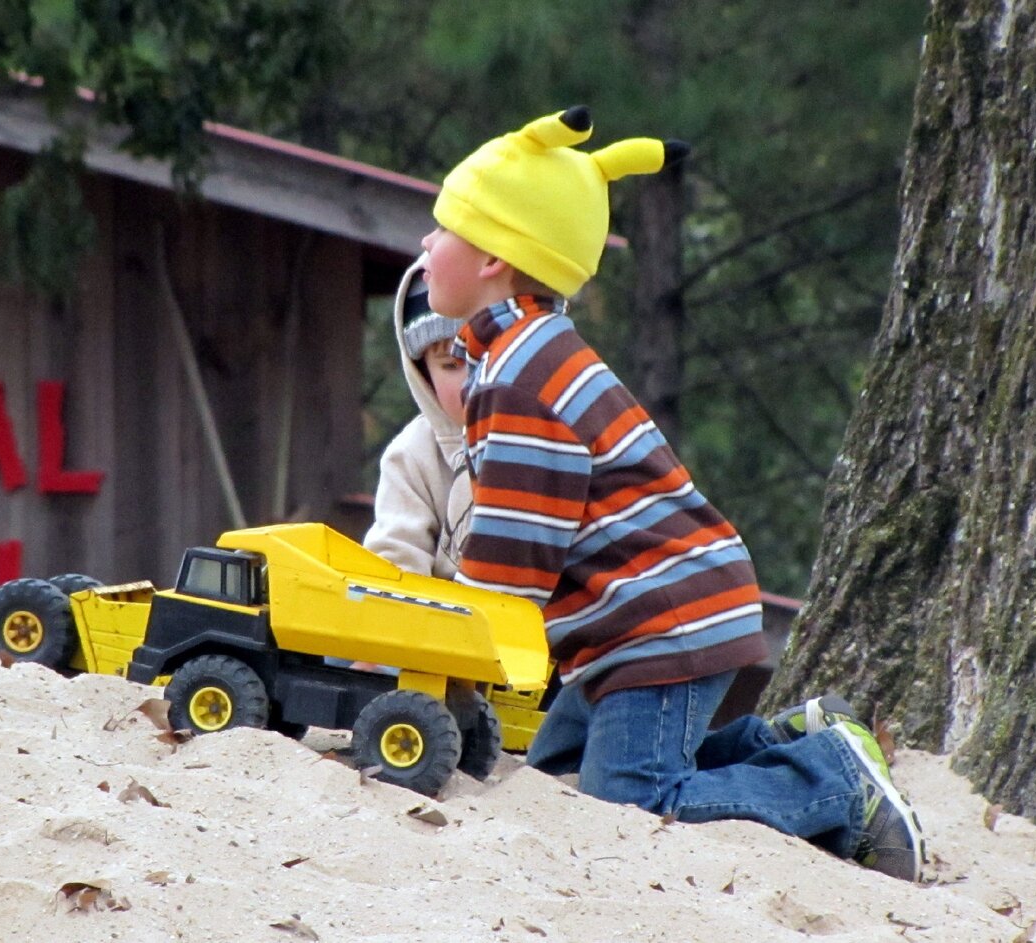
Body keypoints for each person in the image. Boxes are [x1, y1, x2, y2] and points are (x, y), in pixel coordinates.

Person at [418, 105, 926, 881]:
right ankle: (780, 744)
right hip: (640, 621)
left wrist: (449, 625)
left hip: (657, 625)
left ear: (494, 256)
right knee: (558, 766)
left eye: (442, 225)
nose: (426, 243)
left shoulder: (520, 375)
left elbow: (517, 554)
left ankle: (837, 780)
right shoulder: (525, 351)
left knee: (629, 800)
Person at [363, 258, 472, 579]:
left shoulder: (554, 434)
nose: (472, 380)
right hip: (446, 624)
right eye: (451, 365)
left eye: (485, 356)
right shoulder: (412, 456)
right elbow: (394, 566)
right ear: (424, 376)